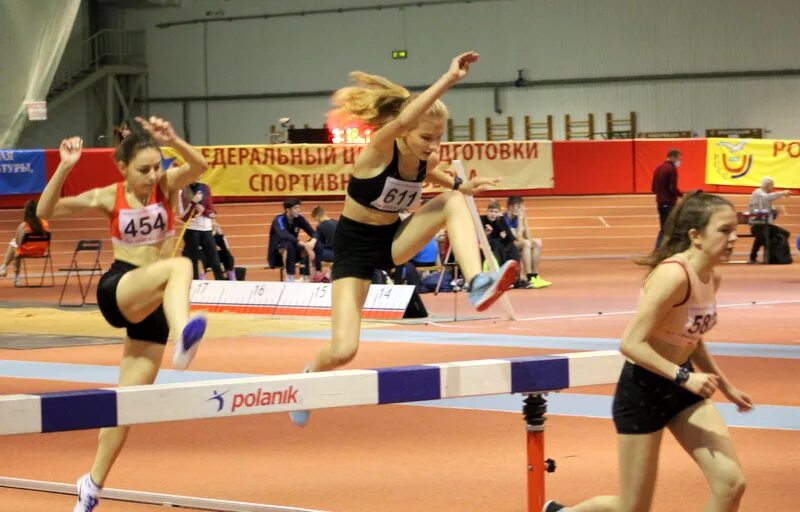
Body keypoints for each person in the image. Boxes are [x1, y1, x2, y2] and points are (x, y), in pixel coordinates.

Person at [288, 51, 517, 427]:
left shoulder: (424, 161)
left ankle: (478, 282)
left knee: (454, 202)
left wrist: (466, 186)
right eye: (426, 136)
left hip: (392, 241)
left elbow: (446, 182)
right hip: (353, 251)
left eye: (440, 138)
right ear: (404, 130)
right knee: (345, 350)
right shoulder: (378, 150)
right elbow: (410, 116)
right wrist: (449, 79)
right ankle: (309, 377)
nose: (433, 145)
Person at [35, 116, 210, 512]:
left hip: (154, 307)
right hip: (121, 288)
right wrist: (65, 166)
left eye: (157, 167)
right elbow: (46, 210)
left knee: (125, 406)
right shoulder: (106, 195)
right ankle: (186, 333)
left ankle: (91, 486)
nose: (153, 176)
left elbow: (199, 167)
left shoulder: (166, 187)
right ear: (123, 169)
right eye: (144, 170)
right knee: (180, 266)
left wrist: (174, 141)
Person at [544, 191, 752, 512]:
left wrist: (726, 386)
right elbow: (630, 343)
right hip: (643, 392)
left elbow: (690, 338)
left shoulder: (713, 276)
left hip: (684, 392)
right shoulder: (673, 275)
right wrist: (683, 377)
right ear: (696, 236)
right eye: (724, 230)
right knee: (632, 507)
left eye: (735, 229)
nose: (734, 238)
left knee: (731, 484)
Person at [178, 180, 225, 280]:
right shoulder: (182, 190)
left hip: (206, 230)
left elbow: (212, 211)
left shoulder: (205, 188)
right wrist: (193, 203)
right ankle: (194, 288)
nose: (198, 175)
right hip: (191, 230)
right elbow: (183, 217)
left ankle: (222, 285)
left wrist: (204, 211)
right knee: (194, 264)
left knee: (215, 263)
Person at [267, 198, 319, 282]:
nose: (298, 210)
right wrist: (303, 244)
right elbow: (285, 235)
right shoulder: (279, 220)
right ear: (288, 210)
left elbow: (313, 232)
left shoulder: (299, 218)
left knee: (313, 244)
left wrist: (313, 241)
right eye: (295, 208)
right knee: (289, 244)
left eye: (299, 208)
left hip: (294, 251)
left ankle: (305, 276)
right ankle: (289, 276)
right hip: (277, 253)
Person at [505, 195, 551, 288]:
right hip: (506, 247)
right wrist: (520, 220)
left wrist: (524, 220)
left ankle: (535, 276)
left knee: (537, 242)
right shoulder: (505, 219)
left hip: (516, 245)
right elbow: (517, 238)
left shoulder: (516, 218)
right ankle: (529, 277)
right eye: (518, 207)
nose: (521, 209)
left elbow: (529, 237)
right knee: (526, 244)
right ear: (510, 207)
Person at [481, 201, 527, 288]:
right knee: (497, 245)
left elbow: (510, 237)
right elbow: (481, 238)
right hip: (487, 245)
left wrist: (502, 219)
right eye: (491, 211)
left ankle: (516, 279)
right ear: (487, 211)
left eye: (496, 212)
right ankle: (500, 277)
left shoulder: (499, 221)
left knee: (511, 246)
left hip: (498, 244)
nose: (493, 214)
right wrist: (488, 234)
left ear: (499, 213)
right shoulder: (482, 220)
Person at [0, 199, 50, 278]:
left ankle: (10, 272)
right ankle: (3, 268)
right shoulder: (45, 223)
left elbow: (18, 242)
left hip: (27, 251)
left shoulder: (24, 226)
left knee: (14, 245)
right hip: (41, 251)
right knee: (16, 246)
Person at [747, 176, 791, 264]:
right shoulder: (758, 192)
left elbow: (770, 216)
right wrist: (782, 193)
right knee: (764, 233)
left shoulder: (767, 199)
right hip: (756, 225)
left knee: (784, 233)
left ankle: (774, 255)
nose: (773, 187)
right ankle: (754, 256)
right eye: (772, 185)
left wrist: (775, 212)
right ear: (767, 185)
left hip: (766, 225)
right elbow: (767, 197)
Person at [652, 149, 683, 248]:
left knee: (665, 227)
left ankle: (660, 249)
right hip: (668, 202)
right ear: (673, 157)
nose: (679, 161)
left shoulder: (658, 168)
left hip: (660, 202)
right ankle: (660, 250)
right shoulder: (671, 169)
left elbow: (653, 188)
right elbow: (672, 188)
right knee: (670, 227)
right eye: (679, 159)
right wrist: (682, 195)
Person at [311, 205, 338, 277]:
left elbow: (320, 244)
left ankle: (317, 274)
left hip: (334, 254)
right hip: (344, 253)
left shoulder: (321, 226)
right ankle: (330, 273)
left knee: (313, 252)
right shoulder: (337, 222)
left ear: (317, 216)